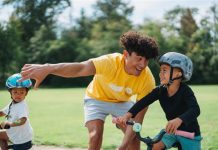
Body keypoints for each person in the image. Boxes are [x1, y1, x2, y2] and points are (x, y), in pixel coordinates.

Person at [19, 31, 159, 150]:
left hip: (123, 102)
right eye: (139, 58)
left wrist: (123, 146)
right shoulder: (109, 62)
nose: (142, 65)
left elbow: (138, 120)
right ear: (126, 54)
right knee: (95, 136)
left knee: (133, 140)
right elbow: (80, 68)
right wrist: (48, 68)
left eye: (146, 61)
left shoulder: (147, 80)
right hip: (96, 98)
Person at [116, 52, 202, 150]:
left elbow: (195, 109)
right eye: (160, 70)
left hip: (190, 134)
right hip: (171, 132)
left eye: (164, 70)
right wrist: (127, 115)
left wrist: (179, 120)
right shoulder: (160, 91)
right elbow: (143, 102)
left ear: (179, 73)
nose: (160, 74)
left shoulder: (185, 91)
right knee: (154, 146)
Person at [0, 73, 33, 150]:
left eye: (22, 92)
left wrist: (10, 123)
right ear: (10, 92)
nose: (18, 95)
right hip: (16, 135)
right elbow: (2, 113)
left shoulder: (22, 106)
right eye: (15, 92)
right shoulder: (12, 104)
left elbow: (22, 120)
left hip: (22, 139)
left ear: (26, 93)